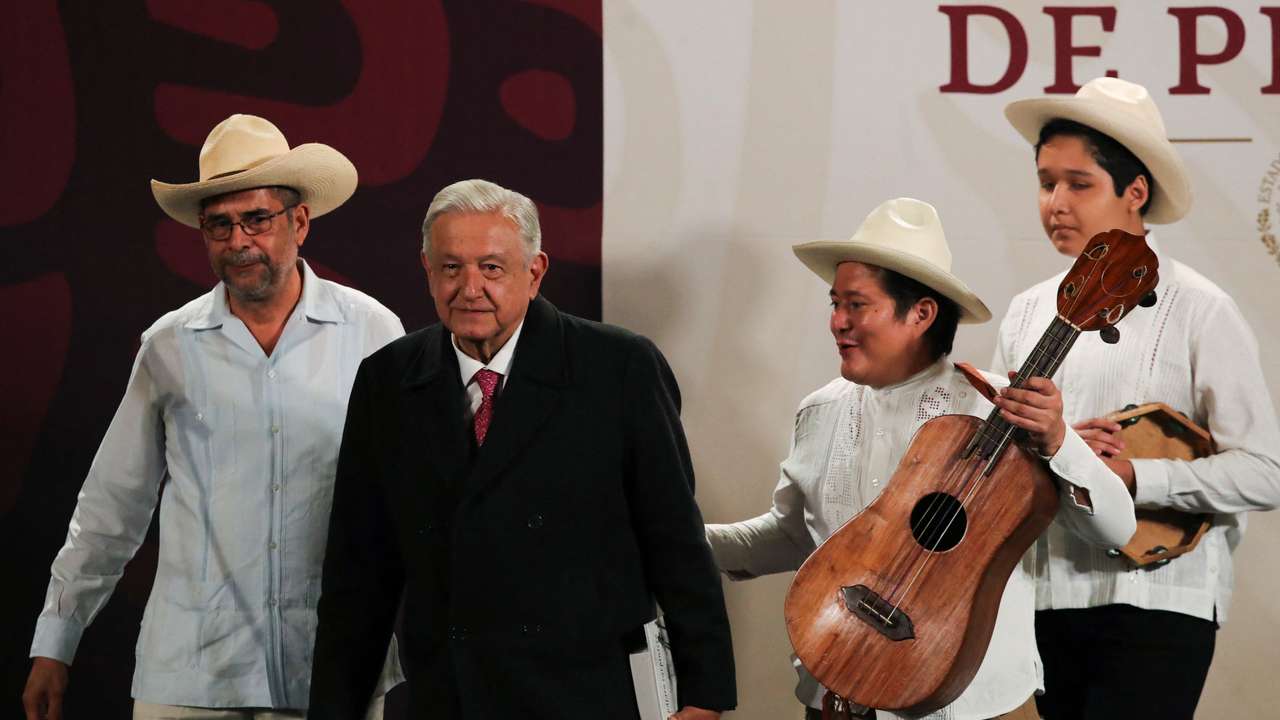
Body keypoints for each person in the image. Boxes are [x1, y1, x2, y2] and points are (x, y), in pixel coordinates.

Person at [22, 114, 404, 720]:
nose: (238, 241)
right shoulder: (169, 346)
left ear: (299, 222)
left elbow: (409, 503)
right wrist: (56, 642)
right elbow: (111, 506)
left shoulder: (375, 334)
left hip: (329, 671)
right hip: (190, 675)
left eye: (257, 219)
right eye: (219, 225)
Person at [307, 179, 736, 719]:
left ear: (534, 274)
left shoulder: (618, 368)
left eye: (491, 267)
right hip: (447, 697)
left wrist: (705, 696)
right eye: (451, 267)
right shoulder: (388, 381)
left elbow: (675, 541)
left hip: (587, 695)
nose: (470, 288)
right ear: (426, 270)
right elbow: (358, 574)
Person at [706, 197, 1136, 719]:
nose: (837, 321)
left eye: (856, 305)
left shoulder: (1002, 408)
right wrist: (678, 541)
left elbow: (1116, 529)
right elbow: (797, 535)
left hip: (976, 707)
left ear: (922, 313)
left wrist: (1060, 441)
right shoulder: (817, 413)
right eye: (834, 303)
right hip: (839, 698)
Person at [996, 77, 1280, 719]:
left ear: (1135, 191)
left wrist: (1131, 473)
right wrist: (1043, 447)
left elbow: (1266, 472)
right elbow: (1002, 466)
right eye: (1046, 183)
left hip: (1162, 601)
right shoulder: (1025, 312)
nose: (1056, 203)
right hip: (1046, 599)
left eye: (1079, 183)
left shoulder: (1201, 307)